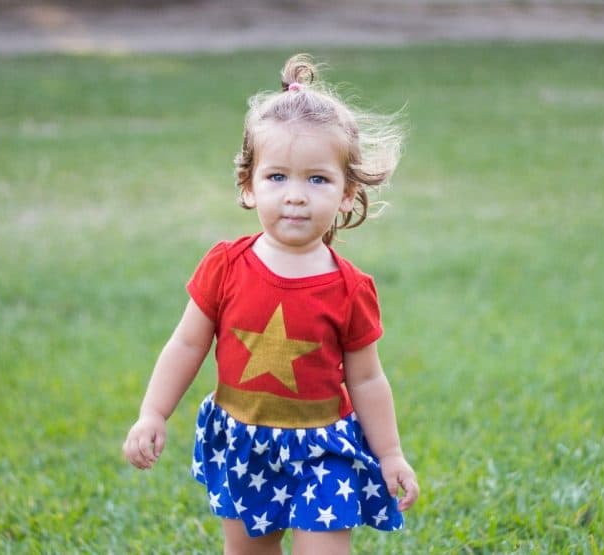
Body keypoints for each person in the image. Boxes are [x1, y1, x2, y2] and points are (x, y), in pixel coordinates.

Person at [123, 53, 419, 555]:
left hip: (323, 449)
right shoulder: (225, 265)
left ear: (348, 194)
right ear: (248, 186)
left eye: (317, 180)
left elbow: (367, 377)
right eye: (277, 177)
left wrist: (389, 453)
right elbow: (187, 343)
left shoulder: (350, 288)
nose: (296, 196)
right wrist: (153, 413)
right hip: (247, 445)